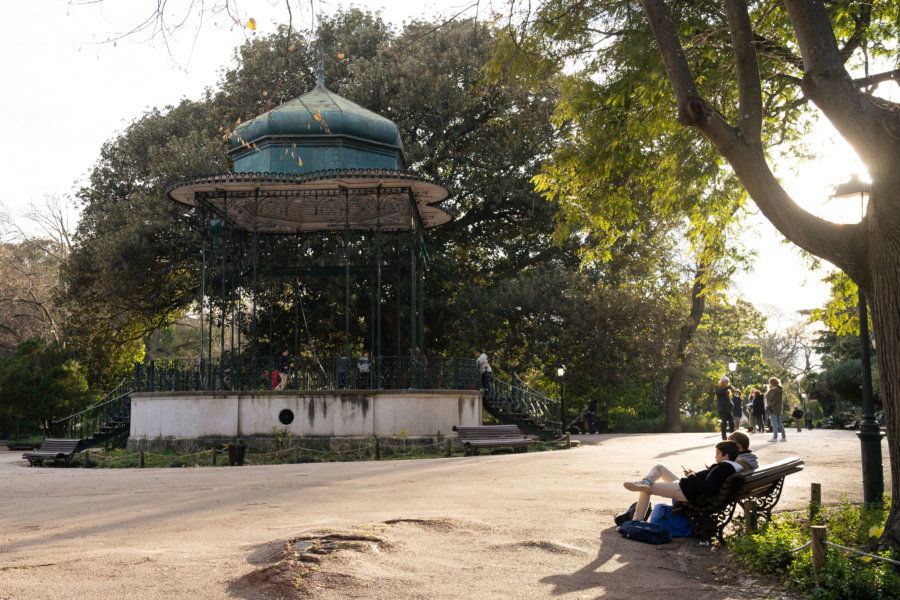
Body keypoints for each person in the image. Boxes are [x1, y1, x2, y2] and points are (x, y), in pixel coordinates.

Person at [623, 440, 743, 522]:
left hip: (685, 491)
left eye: (717, 454)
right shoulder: (727, 467)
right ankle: (647, 481)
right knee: (659, 467)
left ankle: (635, 521)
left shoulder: (723, 469)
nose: (715, 456)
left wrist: (692, 477)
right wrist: (693, 475)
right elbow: (708, 481)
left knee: (646, 489)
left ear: (726, 456)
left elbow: (707, 490)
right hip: (686, 486)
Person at [765, 377, 786, 442]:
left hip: (773, 408)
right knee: (779, 423)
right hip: (778, 408)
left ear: (772, 383)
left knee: (774, 423)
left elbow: (771, 399)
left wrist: (767, 395)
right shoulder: (779, 389)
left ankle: (775, 437)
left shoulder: (774, 390)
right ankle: (783, 437)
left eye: (770, 383)